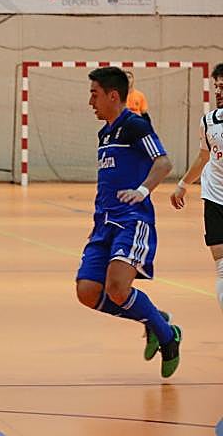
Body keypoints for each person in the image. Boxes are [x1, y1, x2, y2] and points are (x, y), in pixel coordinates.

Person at [76, 66, 181, 378]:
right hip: (103, 223)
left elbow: (164, 162)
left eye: (94, 94)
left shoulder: (135, 125)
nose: (90, 102)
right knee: (87, 292)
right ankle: (155, 320)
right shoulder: (104, 133)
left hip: (131, 220)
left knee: (118, 288)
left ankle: (168, 337)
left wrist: (141, 190)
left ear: (112, 95)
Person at [170, 63, 223, 312]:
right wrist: (183, 185)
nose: (219, 92)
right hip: (215, 197)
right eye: (216, 87)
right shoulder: (208, 121)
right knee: (221, 265)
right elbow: (204, 157)